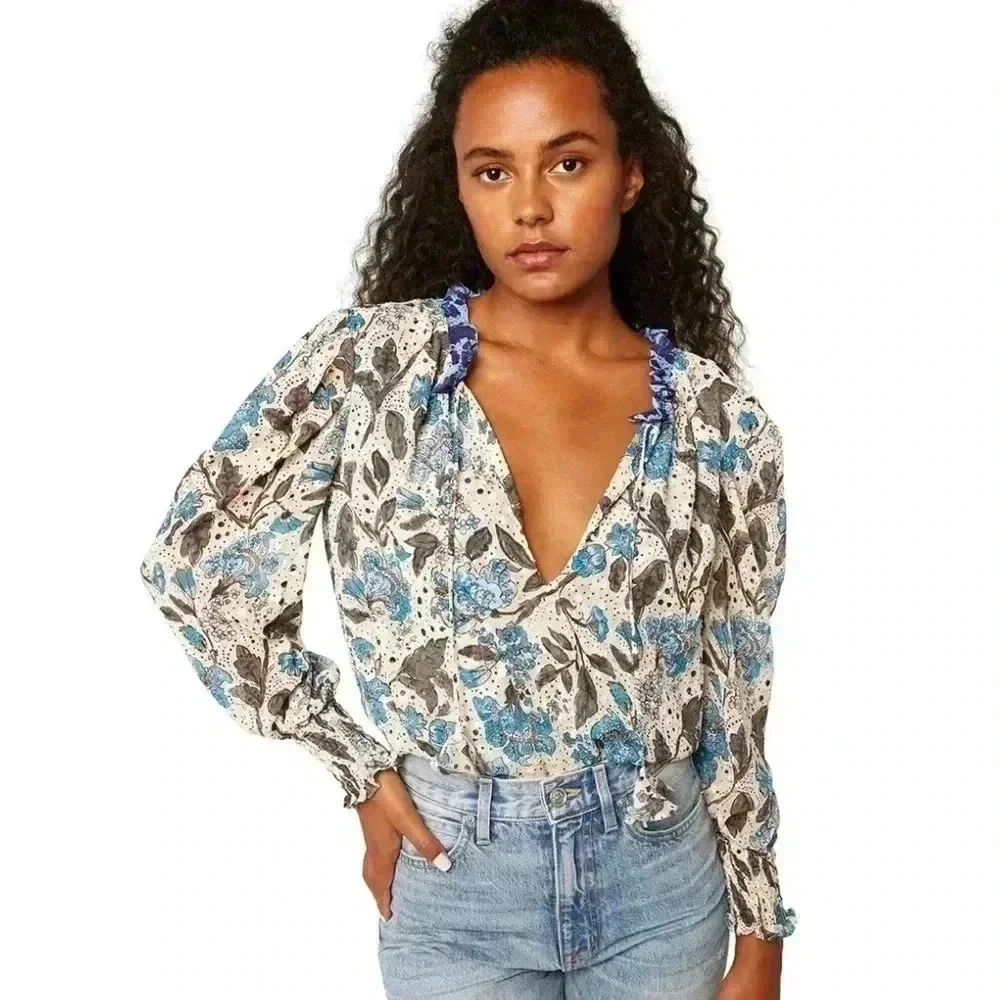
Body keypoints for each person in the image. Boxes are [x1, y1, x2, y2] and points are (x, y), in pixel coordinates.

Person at [138, 1, 797, 996]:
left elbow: (737, 694)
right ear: (456, 185)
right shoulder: (369, 370)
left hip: (663, 887)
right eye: (492, 171)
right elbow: (195, 564)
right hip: (455, 885)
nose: (529, 207)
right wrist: (356, 766)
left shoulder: (721, 423)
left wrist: (761, 927)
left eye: (566, 163)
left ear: (631, 173)